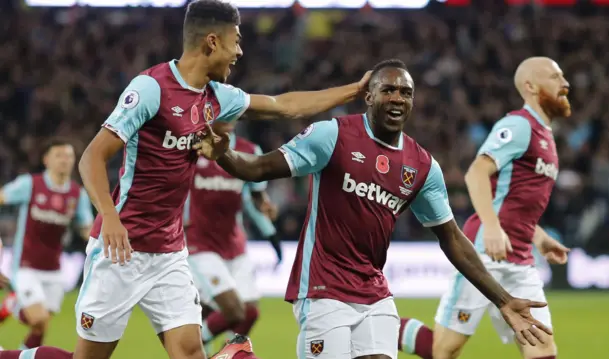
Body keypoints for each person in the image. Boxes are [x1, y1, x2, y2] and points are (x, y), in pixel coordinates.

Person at [196, 59, 553, 359]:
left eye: (406, 92)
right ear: (369, 96)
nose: (397, 98)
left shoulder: (422, 166)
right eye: (389, 90)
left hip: (374, 292)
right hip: (323, 288)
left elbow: (453, 238)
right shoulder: (331, 136)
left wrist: (503, 301)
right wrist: (222, 154)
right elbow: (258, 168)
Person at [73, 0, 370, 358]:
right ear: (212, 42)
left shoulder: (218, 99)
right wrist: (109, 216)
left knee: (190, 353)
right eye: (236, 41)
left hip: (169, 253)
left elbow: (284, 105)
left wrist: (355, 91)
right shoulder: (152, 88)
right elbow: (92, 156)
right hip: (121, 249)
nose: (240, 52)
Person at [424, 57, 571, 359]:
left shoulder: (546, 135)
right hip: (483, 254)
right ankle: (385, 330)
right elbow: (476, 172)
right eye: (556, 77)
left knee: (542, 345)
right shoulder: (518, 125)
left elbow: (513, 202)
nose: (565, 83)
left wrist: (539, 238)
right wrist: (492, 226)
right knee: (445, 349)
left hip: (520, 260)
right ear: (531, 86)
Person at [184, 120, 280, 356]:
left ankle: (221, 351)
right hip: (200, 245)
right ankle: (193, 349)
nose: (231, 118)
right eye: (224, 111)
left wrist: (265, 210)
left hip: (235, 246)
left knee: (249, 313)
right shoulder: (194, 147)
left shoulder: (249, 151)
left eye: (235, 113)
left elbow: (254, 195)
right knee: (230, 311)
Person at [0, 138, 94, 350]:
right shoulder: (30, 184)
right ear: (46, 160)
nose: (64, 160)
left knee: (41, 327)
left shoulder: (77, 194)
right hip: (26, 265)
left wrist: (101, 242)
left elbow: (85, 226)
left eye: (69, 156)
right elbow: (2, 197)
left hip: (54, 269)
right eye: (59, 156)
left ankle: (24, 355)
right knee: (38, 318)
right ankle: (13, 304)